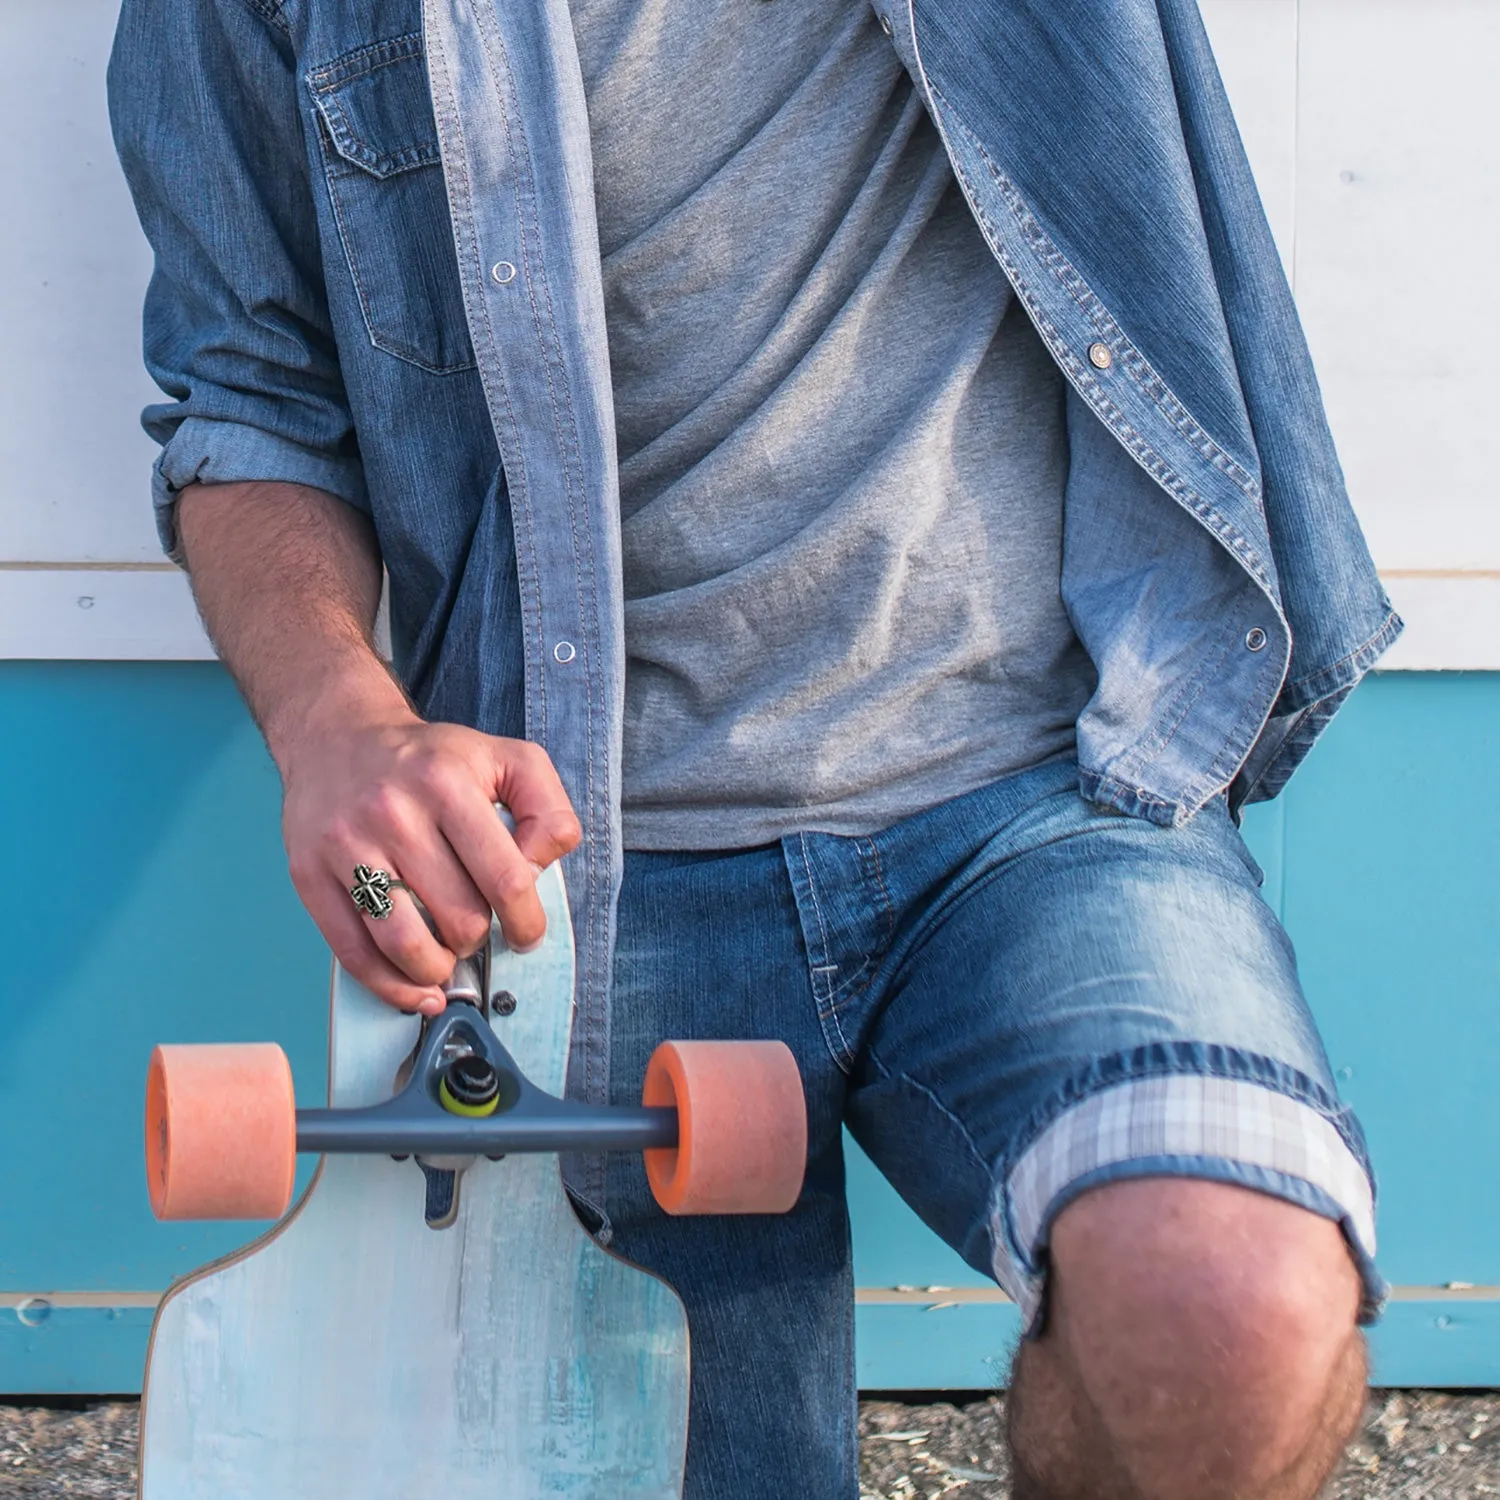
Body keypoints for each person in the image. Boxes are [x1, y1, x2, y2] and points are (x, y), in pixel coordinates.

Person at [108, 1, 1401, 1495]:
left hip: (1039, 791)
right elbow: (250, 401)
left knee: (1232, 1301)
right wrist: (339, 722)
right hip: (579, 870)